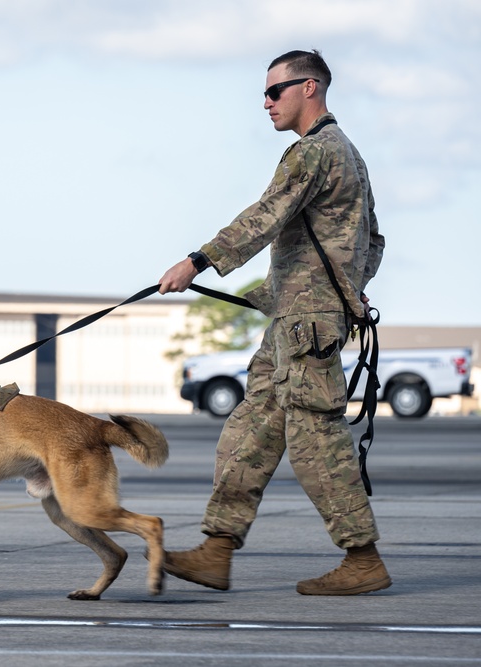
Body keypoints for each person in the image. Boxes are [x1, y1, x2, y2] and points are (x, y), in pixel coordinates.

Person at [157, 49, 390, 595]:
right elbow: (371, 240)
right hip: (294, 321)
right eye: (264, 93)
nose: (266, 103)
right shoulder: (348, 154)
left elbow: (266, 215)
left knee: (316, 443)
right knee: (249, 434)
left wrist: (197, 261)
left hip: (306, 326)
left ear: (310, 88)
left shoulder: (313, 152)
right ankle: (216, 551)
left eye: (275, 91)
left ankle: (363, 558)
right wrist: (324, 292)